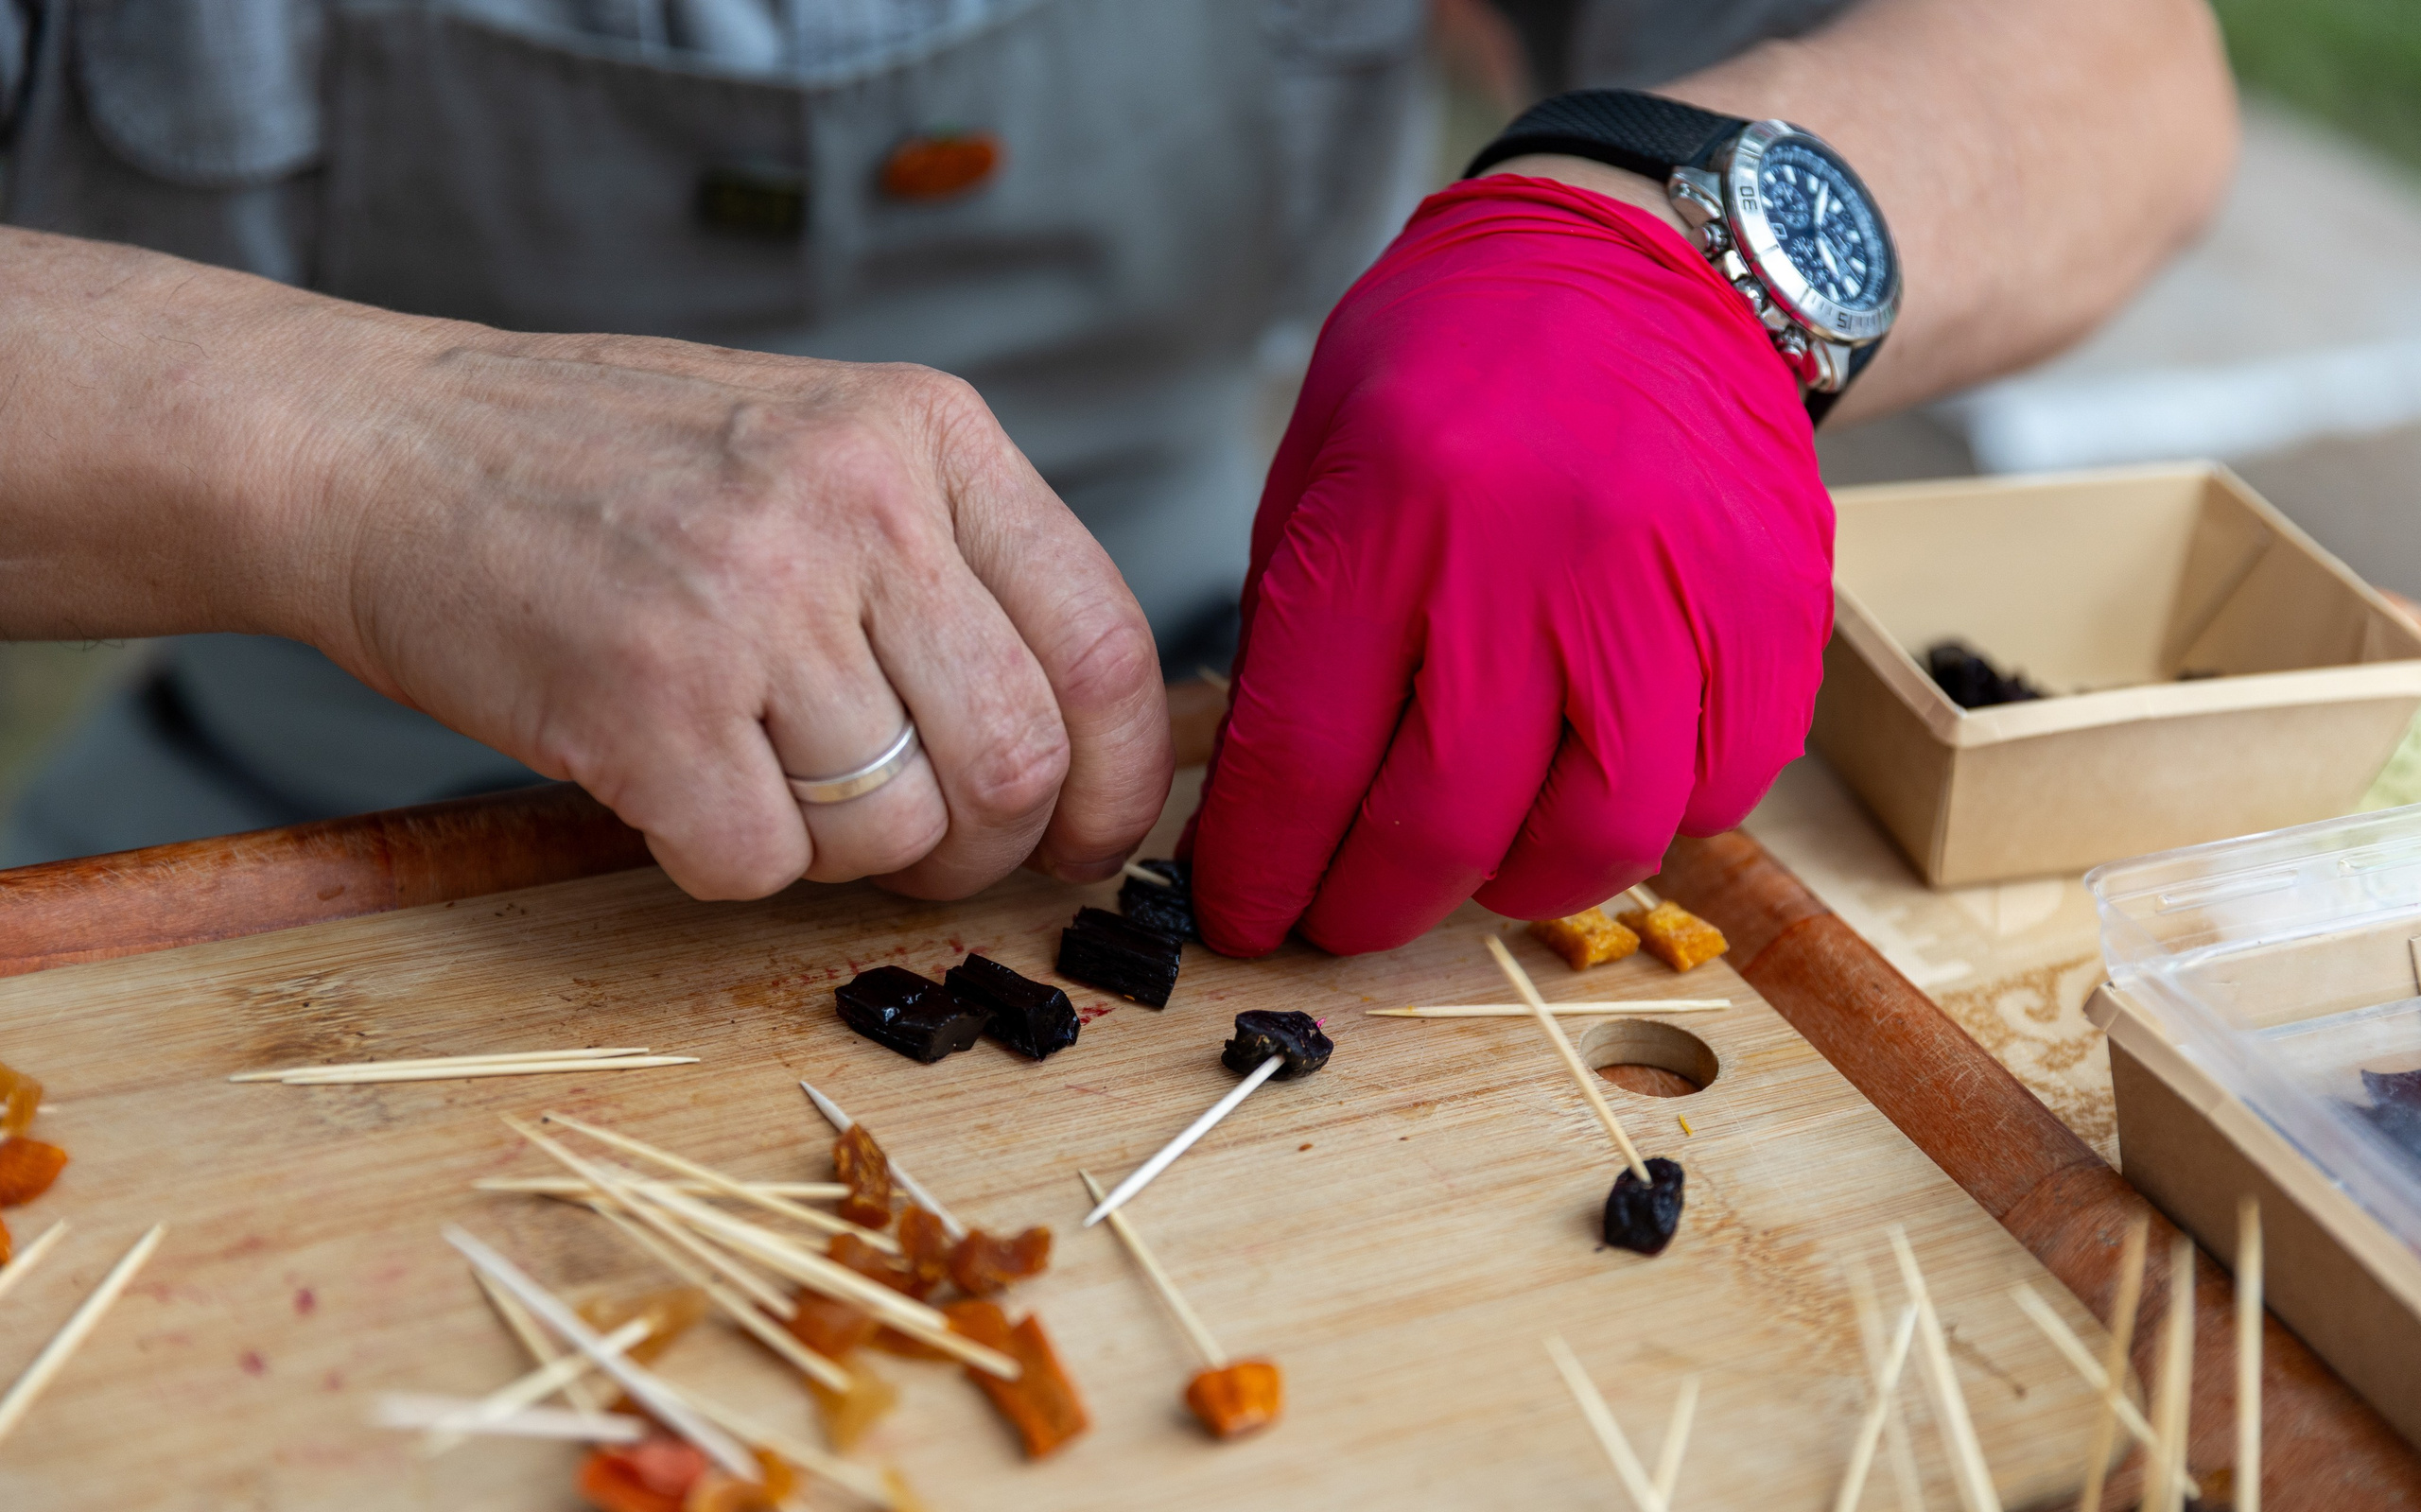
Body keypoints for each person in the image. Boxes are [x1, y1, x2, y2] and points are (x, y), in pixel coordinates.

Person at [0, 0, 2234, 954]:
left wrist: (1673, 248)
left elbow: (2120, 66)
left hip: (1252, 730)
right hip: (289, 797)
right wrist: (353, 446)